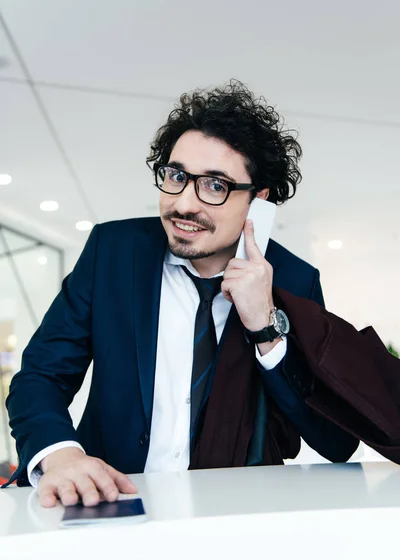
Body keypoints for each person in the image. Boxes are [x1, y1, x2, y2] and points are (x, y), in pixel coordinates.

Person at [4, 80, 359, 508]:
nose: (185, 204)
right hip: (113, 507)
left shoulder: (293, 281)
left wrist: (266, 327)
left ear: (258, 199)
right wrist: (60, 455)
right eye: (176, 176)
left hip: (236, 518)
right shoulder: (113, 252)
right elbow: (41, 376)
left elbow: (335, 441)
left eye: (215, 185)